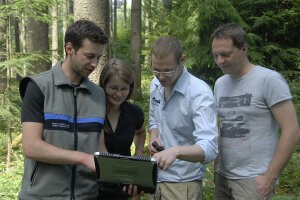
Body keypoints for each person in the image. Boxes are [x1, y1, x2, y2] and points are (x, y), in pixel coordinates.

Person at [18, 20, 109, 200]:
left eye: (98, 57)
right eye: (90, 56)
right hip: (41, 196)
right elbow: (31, 147)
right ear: (70, 48)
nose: (95, 64)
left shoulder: (98, 94)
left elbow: (99, 148)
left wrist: (124, 176)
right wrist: (82, 158)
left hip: (88, 196)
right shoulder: (38, 86)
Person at [212, 23, 300, 200]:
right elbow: (226, 124)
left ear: (244, 48)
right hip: (223, 177)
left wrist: (270, 177)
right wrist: (216, 166)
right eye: (216, 55)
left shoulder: (269, 80)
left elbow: (292, 131)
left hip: (254, 181)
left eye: (226, 54)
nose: (220, 61)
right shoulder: (220, 84)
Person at [147, 35, 218, 200]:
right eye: (156, 70)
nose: (161, 77)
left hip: (183, 183)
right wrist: (154, 136)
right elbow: (153, 119)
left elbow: (209, 147)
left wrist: (176, 152)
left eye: (167, 70)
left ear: (182, 60)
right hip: (155, 178)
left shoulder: (199, 92)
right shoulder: (155, 84)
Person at [98, 58, 146, 199]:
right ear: (104, 85)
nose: (118, 94)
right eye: (113, 88)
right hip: (94, 185)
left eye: (124, 89)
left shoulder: (134, 112)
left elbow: (141, 132)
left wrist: (139, 151)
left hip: (125, 184)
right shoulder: (94, 110)